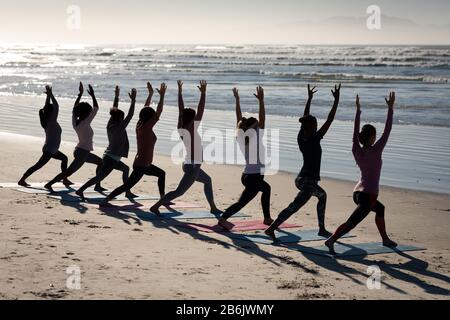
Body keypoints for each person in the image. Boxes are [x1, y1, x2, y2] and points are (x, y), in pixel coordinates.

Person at [265, 84, 341, 241]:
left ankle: (321, 229)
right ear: (311, 128)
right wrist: (336, 100)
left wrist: (309, 99)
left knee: (322, 196)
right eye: (315, 125)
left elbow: (305, 117)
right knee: (295, 206)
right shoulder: (314, 138)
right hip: (308, 181)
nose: (317, 126)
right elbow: (330, 119)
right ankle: (271, 228)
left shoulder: (301, 137)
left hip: (302, 178)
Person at [325, 93, 398, 255]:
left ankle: (385, 239)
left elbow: (355, 132)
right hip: (368, 195)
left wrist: (358, 111)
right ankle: (331, 239)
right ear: (372, 137)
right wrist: (390, 108)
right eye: (375, 135)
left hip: (357, 192)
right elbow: (388, 129)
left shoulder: (356, 149)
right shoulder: (376, 150)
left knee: (380, 209)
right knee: (352, 222)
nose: (377, 137)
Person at [149, 80, 220, 215]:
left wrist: (180, 92)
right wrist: (203, 94)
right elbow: (200, 110)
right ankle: (156, 206)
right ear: (191, 119)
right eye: (194, 117)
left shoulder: (181, 128)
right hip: (192, 166)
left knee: (207, 181)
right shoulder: (191, 128)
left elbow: (181, 111)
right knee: (179, 192)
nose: (196, 118)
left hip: (190, 164)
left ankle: (213, 207)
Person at [100, 83, 167, 205]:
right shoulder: (146, 127)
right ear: (150, 118)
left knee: (161, 174)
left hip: (145, 164)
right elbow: (159, 111)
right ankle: (106, 199)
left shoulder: (140, 125)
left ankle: (162, 198)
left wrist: (150, 94)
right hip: (141, 165)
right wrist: (162, 96)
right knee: (126, 186)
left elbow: (145, 109)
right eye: (152, 117)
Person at [218, 86, 272, 229]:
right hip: (253, 177)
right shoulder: (256, 137)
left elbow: (239, 119)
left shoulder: (241, 137)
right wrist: (261, 101)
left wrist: (237, 101)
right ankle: (223, 219)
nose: (259, 125)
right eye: (257, 125)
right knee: (241, 203)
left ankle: (267, 218)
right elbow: (262, 117)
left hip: (248, 175)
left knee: (266, 189)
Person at [75, 85, 137, 201]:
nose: (124, 120)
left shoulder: (110, 124)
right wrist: (133, 101)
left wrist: (117, 97)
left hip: (110, 156)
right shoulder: (119, 127)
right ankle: (80, 190)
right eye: (122, 118)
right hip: (111, 159)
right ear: (120, 119)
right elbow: (130, 115)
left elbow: (114, 110)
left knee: (125, 169)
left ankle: (127, 191)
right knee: (98, 177)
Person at [44, 82, 103, 193]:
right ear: (86, 113)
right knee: (69, 172)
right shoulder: (85, 122)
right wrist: (93, 95)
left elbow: (74, 109)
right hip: (82, 153)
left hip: (81, 151)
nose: (91, 112)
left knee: (100, 162)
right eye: (89, 111)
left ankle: (97, 185)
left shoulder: (75, 122)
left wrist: (80, 94)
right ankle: (49, 184)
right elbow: (96, 108)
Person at [18, 85, 72, 187]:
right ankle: (22, 180)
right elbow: (56, 106)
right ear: (51, 113)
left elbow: (47, 107)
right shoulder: (51, 121)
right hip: (50, 150)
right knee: (38, 165)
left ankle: (65, 179)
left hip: (52, 149)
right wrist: (51, 95)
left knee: (64, 158)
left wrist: (48, 96)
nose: (55, 112)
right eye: (53, 111)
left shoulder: (47, 121)